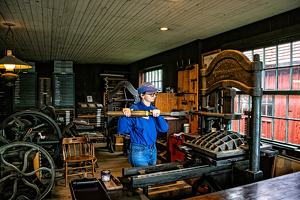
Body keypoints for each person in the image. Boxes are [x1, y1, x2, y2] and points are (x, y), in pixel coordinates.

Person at [117, 82, 169, 167]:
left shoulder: (154, 110)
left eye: (155, 94)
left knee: (150, 177)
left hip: (153, 149)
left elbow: (164, 129)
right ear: (142, 95)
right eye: (151, 94)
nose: (154, 96)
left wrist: (159, 116)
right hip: (139, 150)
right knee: (141, 178)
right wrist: (124, 116)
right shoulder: (134, 110)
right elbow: (121, 130)